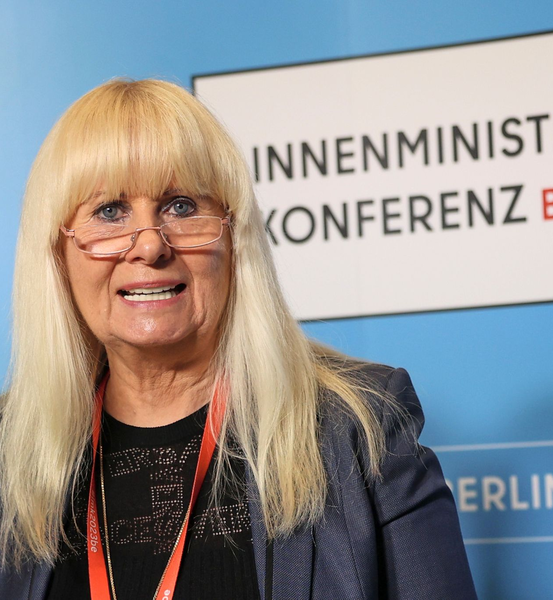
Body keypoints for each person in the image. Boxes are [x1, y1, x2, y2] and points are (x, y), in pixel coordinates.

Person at [0, 78, 477, 600]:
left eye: (181, 206)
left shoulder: (361, 428)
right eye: (109, 212)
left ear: (235, 235)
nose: (151, 246)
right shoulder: (10, 451)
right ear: (56, 254)